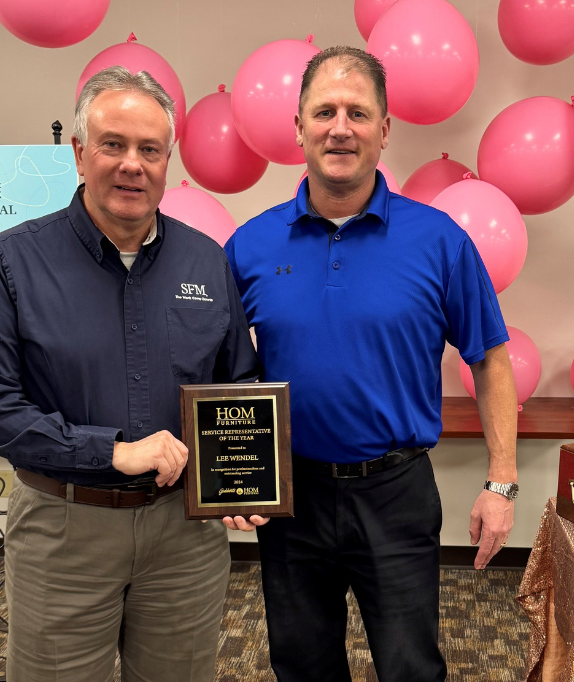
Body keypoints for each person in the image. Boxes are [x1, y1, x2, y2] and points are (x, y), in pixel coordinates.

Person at [0, 66, 260, 682]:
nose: (131, 165)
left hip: (184, 537)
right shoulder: (11, 263)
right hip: (64, 528)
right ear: (79, 153)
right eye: (113, 145)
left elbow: (238, 385)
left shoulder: (207, 259)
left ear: (168, 160)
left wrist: (241, 476)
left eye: (150, 149)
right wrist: (109, 452)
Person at [222, 47, 519, 682]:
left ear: (384, 130)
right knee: (301, 665)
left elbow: (490, 359)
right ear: (298, 127)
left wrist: (501, 482)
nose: (340, 127)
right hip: (291, 497)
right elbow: (215, 367)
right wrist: (230, 475)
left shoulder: (439, 241)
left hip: (397, 492)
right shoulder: (249, 244)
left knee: (412, 666)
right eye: (323, 111)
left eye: (358, 112)